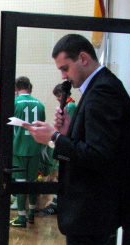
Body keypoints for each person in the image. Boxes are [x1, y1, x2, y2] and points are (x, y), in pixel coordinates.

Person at [24, 34, 130, 245]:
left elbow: (98, 156)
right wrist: (67, 133)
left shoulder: (103, 90)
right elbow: (91, 146)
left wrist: (54, 138)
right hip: (88, 211)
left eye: (65, 68)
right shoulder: (98, 87)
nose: (63, 76)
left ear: (83, 58)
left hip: (90, 211)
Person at [9, 76, 46, 227]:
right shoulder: (40, 105)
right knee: (33, 181)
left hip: (19, 148)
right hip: (35, 148)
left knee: (20, 182)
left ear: (16, 88)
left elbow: (10, 128)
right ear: (29, 86)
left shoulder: (14, 103)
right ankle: (31, 212)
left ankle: (21, 217)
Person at [40, 83, 78, 215]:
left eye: (58, 96)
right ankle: (56, 202)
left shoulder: (71, 106)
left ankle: (57, 204)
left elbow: (73, 127)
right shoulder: (67, 105)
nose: (58, 99)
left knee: (58, 174)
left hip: (66, 145)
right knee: (56, 173)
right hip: (62, 143)